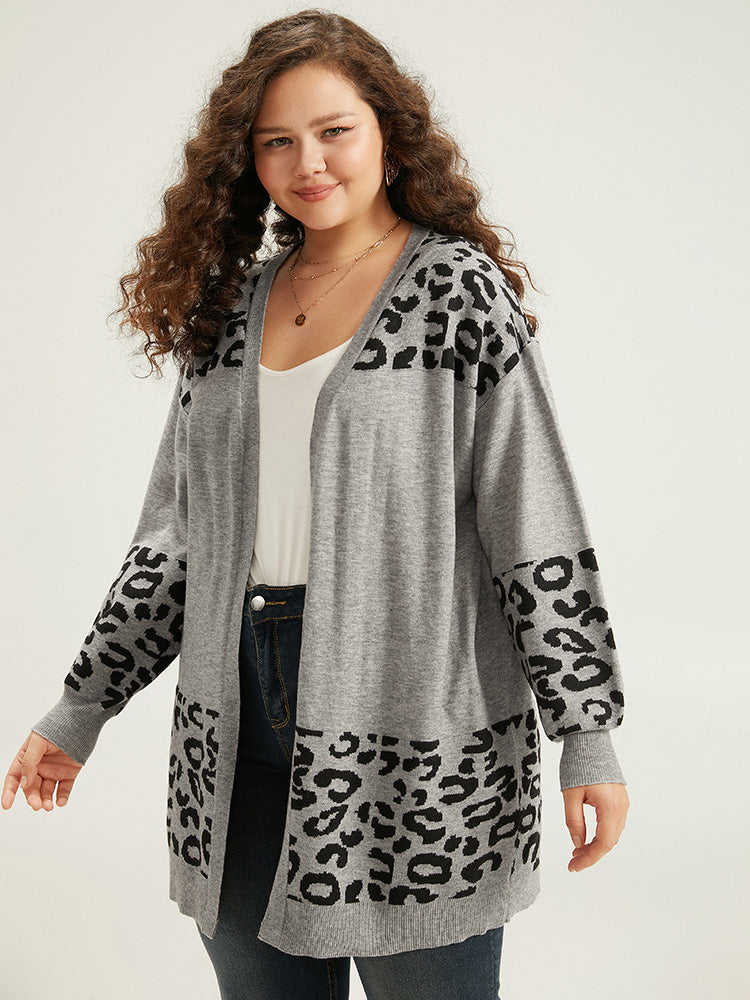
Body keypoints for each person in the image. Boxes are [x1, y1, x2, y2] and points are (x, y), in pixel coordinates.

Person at [2, 9, 629, 1000]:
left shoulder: (456, 292)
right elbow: (174, 540)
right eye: (276, 141)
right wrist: (81, 707)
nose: (309, 163)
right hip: (233, 711)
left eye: (334, 130)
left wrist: (585, 730)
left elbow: (533, 521)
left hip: (417, 722)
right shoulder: (229, 311)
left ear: (388, 131)